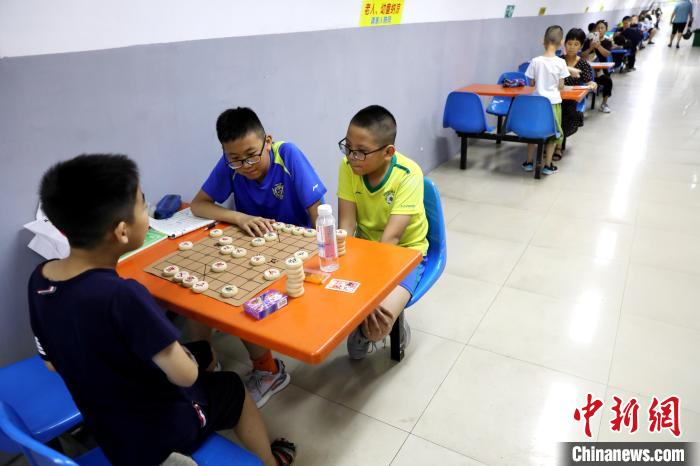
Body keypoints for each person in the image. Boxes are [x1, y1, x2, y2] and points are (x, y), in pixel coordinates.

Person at [30, 154, 296, 466]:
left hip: (105, 423)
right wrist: (175, 355)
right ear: (121, 232)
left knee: (203, 351)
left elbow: (51, 364)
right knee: (232, 386)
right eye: (143, 205)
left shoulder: (41, 278)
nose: (147, 211)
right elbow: (186, 375)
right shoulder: (123, 296)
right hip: (155, 434)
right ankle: (269, 461)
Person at [190, 107, 328, 407]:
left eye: (252, 155)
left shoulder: (288, 155)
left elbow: (320, 216)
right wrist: (238, 217)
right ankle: (204, 366)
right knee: (202, 293)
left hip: (294, 250)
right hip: (254, 244)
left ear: (268, 141)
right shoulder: (232, 163)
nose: (246, 165)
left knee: (244, 298)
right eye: (236, 159)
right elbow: (199, 205)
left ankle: (268, 371)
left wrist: (322, 262)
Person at [337, 105, 429, 359]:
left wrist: (375, 293)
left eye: (362, 152)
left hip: (403, 255)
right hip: (365, 250)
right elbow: (346, 226)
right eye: (348, 147)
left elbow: (391, 239)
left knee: (379, 324)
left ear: (388, 152)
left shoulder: (409, 174)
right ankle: (371, 317)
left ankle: (391, 322)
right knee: (329, 296)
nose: (352, 157)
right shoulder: (348, 167)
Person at [521, 25, 571, 175]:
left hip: (536, 104)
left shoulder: (535, 61)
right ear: (561, 42)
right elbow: (561, 86)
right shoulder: (561, 63)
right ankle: (548, 165)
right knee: (553, 134)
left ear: (543, 41)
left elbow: (531, 83)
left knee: (532, 132)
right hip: (553, 104)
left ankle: (529, 162)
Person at [554, 28, 597, 161]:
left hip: (570, 100)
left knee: (565, 113)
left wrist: (592, 84)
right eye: (569, 44)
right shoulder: (557, 60)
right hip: (555, 97)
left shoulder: (583, 64)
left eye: (576, 44)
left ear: (581, 46)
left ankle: (558, 147)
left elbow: (589, 81)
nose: (572, 47)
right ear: (564, 44)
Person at [582, 20, 615, 113]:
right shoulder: (588, 41)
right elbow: (583, 55)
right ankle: (581, 105)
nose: (600, 30)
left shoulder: (607, 42)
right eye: (598, 28)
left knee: (608, 81)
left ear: (606, 30)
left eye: (602, 28)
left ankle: (604, 104)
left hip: (601, 72)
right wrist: (591, 48)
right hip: (588, 71)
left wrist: (599, 47)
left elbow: (606, 54)